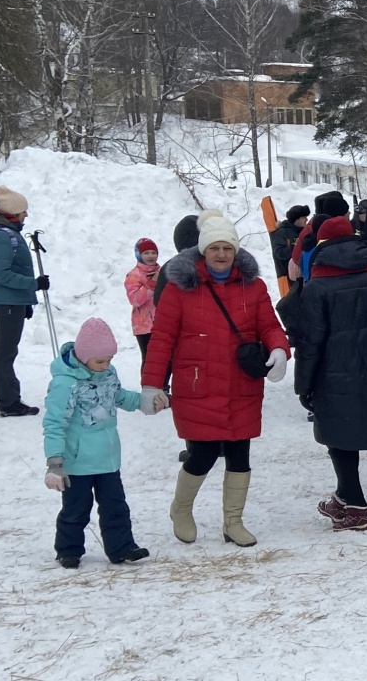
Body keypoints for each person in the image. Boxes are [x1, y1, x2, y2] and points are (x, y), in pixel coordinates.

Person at [142, 211, 289, 548]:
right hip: (198, 384)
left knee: (240, 453)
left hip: (241, 385)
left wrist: (279, 349)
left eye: (227, 248)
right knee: (202, 454)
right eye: (214, 248)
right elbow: (162, 337)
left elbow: (269, 325)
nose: (221, 254)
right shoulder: (181, 288)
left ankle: (233, 522)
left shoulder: (252, 286)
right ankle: (181, 509)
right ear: (203, 250)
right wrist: (152, 384)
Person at [294, 216, 367, 530]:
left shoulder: (317, 288)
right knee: (345, 438)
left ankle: (356, 506)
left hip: (332, 375)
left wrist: (304, 385)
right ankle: (343, 498)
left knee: (338, 440)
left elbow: (309, 344)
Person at [43, 318, 161, 569]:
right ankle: (68, 549)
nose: (105, 366)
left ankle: (122, 547)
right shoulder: (66, 384)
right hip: (77, 463)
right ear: (84, 357)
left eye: (109, 360)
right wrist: (54, 463)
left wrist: (144, 402)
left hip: (107, 458)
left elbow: (119, 396)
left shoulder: (107, 373)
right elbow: (54, 423)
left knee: (116, 506)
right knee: (76, 509)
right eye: (100, 361)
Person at [0, 186, 42, 416]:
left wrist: (26, 301)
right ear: (12, 213)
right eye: (23, 211)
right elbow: (2, 274)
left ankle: (5, 398)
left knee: (5, 351)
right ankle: (8, 401)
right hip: (7, 302)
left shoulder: (6, 233)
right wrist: (34, 284)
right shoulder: (3, 236)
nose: (26, 215)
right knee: (5, 352)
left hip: (12, 301)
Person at [124, 239, 160, 369]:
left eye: (153, 252)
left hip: (162, 321)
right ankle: (148, 387)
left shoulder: (162, 271)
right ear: (139, 255)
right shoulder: (134, 275)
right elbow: (135, 300)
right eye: (146, 253)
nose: (151, 256)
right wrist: (150, 285)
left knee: (166, 356)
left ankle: (163, 386)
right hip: (143, 324)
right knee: (149, 357)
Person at [271, 205, 310, 286]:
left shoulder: (306, 231)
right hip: (288, 278)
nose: (306, 219)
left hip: (304, 276)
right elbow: (279, 253)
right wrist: (297, 246)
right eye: (304, 217)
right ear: (296, 219)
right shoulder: (281, 232)